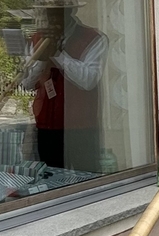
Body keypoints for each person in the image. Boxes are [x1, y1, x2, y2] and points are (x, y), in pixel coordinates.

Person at [21, 0, 106, 172]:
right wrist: (41, 59)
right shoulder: (36, 39)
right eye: (49, 12)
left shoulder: (94, 39)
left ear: (71, 11)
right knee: (51, 177)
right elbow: (26, 83)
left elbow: (89, 80)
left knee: (86, 175)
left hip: (81, 128)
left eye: (59, 12)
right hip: (46, 125)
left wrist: (58, 55)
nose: (53, 17)